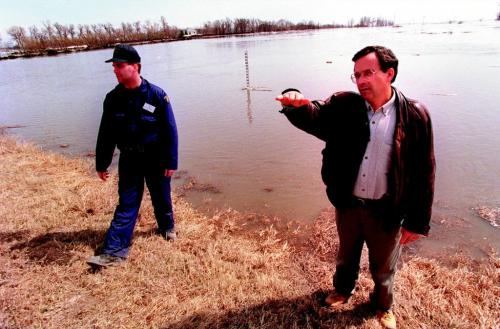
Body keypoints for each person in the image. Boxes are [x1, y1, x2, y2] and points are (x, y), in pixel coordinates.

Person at [275, 46, 435, 329]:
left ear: (389, 74)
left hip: (388, 209)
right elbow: (314, 114)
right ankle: (342, 290)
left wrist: (418, 221)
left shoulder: (414, 114)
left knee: (384, 267)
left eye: (368, 73)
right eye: (356, 75)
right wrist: (294, 101)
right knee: (346, 255)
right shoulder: (345, 106)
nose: (360, 80)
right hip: (348, 204)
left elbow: (425, 171)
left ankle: (383, 306)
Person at [87, 44, 179, 268]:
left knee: (161, 196)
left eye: (119, 66)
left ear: (135, 67)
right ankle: (114, 251)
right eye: (114, 67)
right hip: (129, 160)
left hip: (156, 158)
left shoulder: (156, 95)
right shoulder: (112, 98)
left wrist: (171, 161)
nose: (115, 70)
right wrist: (102, 163)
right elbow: (106, 133)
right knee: (127, 204)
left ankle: (167, 227)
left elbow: (170, 130)